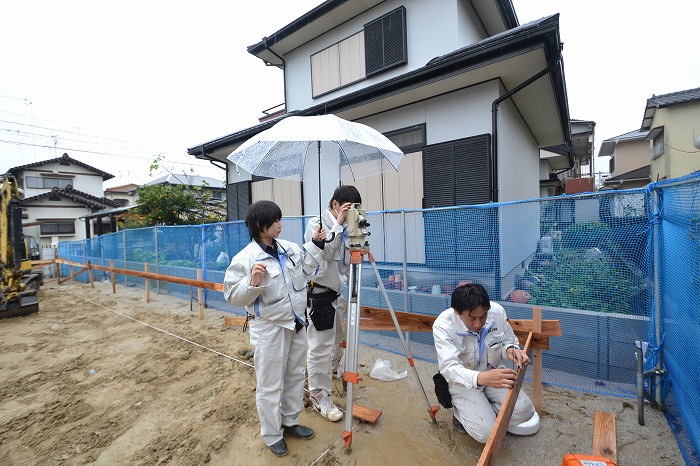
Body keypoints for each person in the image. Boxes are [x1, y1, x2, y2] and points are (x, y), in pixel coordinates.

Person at [223, 200, 326, 457]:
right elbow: (233, 296)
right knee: (270, 383)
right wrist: (253, 282)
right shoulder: (245, 258)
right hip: (269, 328)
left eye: (280, 220)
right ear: (260, 225)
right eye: (276, 221)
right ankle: (272, 434)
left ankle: (290, 422)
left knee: (293, 375)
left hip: (296, 322)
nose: (281, 225)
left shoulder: (290, 249)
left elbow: (306, 269)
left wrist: (316, 244)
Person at [432, 283, 540, 443]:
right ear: (457, 312)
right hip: (463, 382)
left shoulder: (497, 313)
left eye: (482, 316)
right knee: (486, 434)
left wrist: (512, 351)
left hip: (493, 372)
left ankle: (484, 409)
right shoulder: (443, 326)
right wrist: (481, 378)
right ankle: (460, 415)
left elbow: (508, 341)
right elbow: (449, 368)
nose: (478, 323)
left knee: (525, 411)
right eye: (472, 318)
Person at [303, 185, 362, 422]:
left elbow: (346, 262)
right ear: (336, 204)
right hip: (319, 295)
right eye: (349, 208)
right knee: (319, 346)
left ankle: (335, 367)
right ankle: (318, 394)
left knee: (339, 336)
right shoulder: (316, 224)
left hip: (338, 293)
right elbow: (326, 254)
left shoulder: (349, 227)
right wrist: (338, 224)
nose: (351, 214)